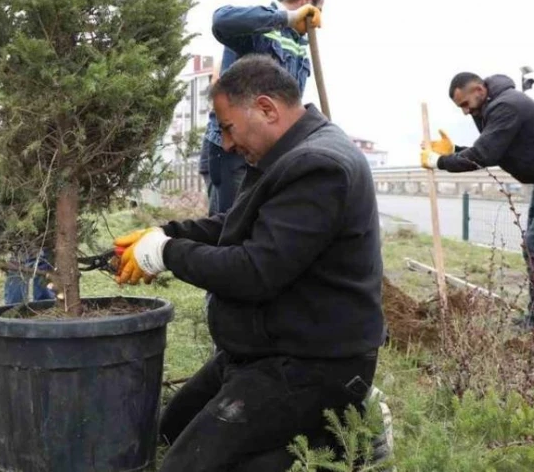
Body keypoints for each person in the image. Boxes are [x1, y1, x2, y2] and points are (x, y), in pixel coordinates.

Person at [115, 56, 386, 471]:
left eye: (227, 128)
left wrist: (166, 254)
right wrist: (167, 232)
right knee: (169, 432)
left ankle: (349, 431)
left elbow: (254, 271)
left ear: (266, 109)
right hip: (261, 348)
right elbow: (237, 225)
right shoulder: (287, 152)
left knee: (188, 466)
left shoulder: (319, 166)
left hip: (312, 363)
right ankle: (313, 433)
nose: (225, 144)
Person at [421, 72, 534, 327]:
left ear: (479, 90)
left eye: (465, 105)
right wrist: (453, 151)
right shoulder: (490, 107)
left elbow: (485, 154)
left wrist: (440, 162)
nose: (465, 112)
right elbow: (495, 147)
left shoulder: (508, 106)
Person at [204, 0, 324, 216]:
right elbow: (221, 20)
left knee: (255, 227)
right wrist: (287, 18)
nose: (320, 21)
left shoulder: (301, 44)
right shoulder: (260, 26)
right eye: (320, 10)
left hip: (270, 155)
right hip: (234, 151)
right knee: (229, 227)